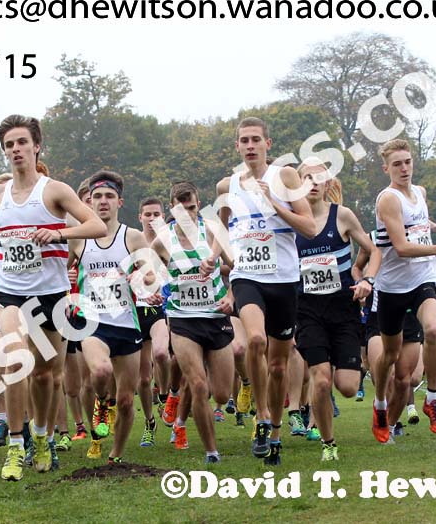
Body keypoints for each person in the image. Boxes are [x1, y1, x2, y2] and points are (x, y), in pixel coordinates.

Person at [0, 115, 105, 481]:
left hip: (51, 293)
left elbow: (97, 225)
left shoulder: (55, 191)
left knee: (47, 374)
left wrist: (58, 235)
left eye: (21, 143)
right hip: (10, 291)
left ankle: (44, 436)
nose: (15, 149)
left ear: (36, 147)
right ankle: (16, 447)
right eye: (9, 145)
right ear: (5, 151)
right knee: (15, 358)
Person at [208, 117, 317, 465]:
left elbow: (310, 227)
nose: (250, 145)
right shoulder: (227, 185)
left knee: (280, 366)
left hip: (284, 280)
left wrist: (276, 205)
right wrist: (212, 256)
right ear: (237, 146)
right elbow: (221, 229)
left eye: (256, 139)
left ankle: (275, 430)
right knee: (255, 341)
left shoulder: (284, 177)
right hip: (247, 276)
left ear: (268, 144)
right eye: (244, 140)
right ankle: (261, 414)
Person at [371, 139, 436, 443]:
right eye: (397, 164)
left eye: (408, 162)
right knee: (389, 354)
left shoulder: (420, 193)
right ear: (386, 168)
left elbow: (417, 219)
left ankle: (433, 399)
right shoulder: (387, 199)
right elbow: (400, 247)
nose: (404, 168)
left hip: (423, 278)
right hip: (392, 287)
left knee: (434, 330)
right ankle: (379, 405)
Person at [293, 166, 379, 461]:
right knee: (320, 379)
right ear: (299, 182)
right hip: (307, 310)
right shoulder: (292, 222)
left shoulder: (341, 215)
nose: (313, 183)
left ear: (327, 183)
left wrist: (367, 279)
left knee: (346, 386)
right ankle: (328, 443)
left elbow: (373, 250)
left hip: (343, 308)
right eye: (307, 178)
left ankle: (328, 408)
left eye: (319, 178)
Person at [67, 170, 148, 464]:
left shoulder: (134, 237)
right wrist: (68, 283)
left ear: (119, 202)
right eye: (97, 197)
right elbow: (61, 273)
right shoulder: (79, 239)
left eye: (109, 197)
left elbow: (151, 274)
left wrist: (143, 279)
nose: (102, 202)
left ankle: (115, 454)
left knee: (127, 401)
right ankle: (102, 403)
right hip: (91, 320)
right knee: (100, 372)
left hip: (126, 322)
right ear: (89, 202)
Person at [151, 181, 234, 463]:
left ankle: (182, 406)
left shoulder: (212, 230)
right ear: (172, 211)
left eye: (192, 207)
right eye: (181, 210)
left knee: (221, 393)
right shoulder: (162, 240)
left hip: (215, 316)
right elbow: (147, 274)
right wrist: (150, 291)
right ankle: (212, 451)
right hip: (183, 318)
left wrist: (232, 296)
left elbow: (237, 267)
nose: (189, 214)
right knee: (199, 385)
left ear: (198, 205)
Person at [135, 197, 169, 447]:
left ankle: (166, 395)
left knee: (161, 354)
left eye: (156, 214)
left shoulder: (171, 242)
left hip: (162, 309)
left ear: (164, 217)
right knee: (143, 379)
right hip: (136, 311)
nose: (151, 218)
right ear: (140, 217)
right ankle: (149, 422)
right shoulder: (132, 242)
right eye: (147, 214)